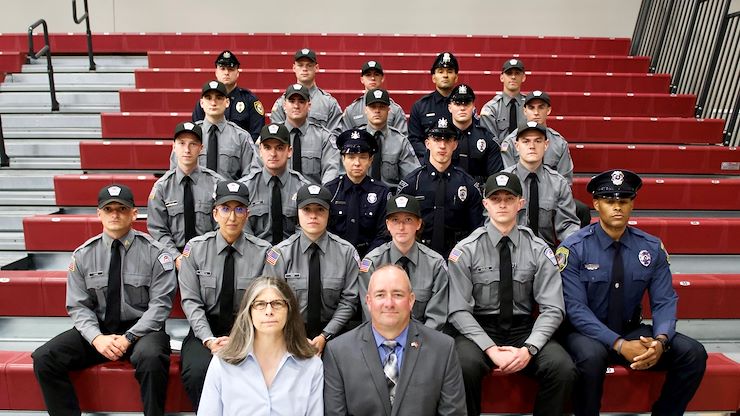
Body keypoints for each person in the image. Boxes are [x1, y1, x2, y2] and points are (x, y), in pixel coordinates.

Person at [558, 169, 707, 416]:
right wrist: (619, 344)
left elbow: (664, 301)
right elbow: (576, 309)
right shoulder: (574, 248)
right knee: (591, 357)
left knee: (693, 353)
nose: (617, 207)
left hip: (630, 328)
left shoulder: (650, 247)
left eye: (624, 201)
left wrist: (660, 341)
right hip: (586, 332)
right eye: (609, 201)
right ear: (596, 204)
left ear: (632, 204)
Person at [32, 184, 177, 416]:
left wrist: (129, 337)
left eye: (122, 208)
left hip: (142, 332)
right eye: (108, 209)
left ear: (134, 213)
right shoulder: (83, 255)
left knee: (152, 358)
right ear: (99, 214)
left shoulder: (156, 253)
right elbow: (78, 306)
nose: (115, 214)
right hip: (99, 331)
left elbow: (160, 305)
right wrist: (96, 338)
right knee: (44, 358)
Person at [448, 172, 576, 416]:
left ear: (521, 203)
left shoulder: (539, 249)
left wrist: (529, 348)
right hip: (480, 328)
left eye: (509, 198)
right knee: (463, 366)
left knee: (562, 369)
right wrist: (490, 348)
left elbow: (553, 308)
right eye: (496, 199)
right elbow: (458, 310)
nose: (503, 204)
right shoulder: (466, 250)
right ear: (486, 204)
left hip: (523, 329)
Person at [178, 180, 272, 410]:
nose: (232, 217)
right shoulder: (196, 249)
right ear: (215, 213)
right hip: (206, 331)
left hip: (250, 332)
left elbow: (263, 304)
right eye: (225, 209)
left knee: (252, 373)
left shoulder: (263, 253)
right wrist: (209, 340)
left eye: (239, 209)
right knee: (196, 371)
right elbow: (191, 302)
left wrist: (241, 339)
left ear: (247, 214)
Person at [323, 264, 466, 416]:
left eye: (398, 294)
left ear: (411, 301)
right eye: (380, 295)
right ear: (368, 301)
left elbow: (453, 413)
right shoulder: (338, 352)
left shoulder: (443, 349)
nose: (389, 303)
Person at [198, 276, 323, 415]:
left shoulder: (311, 365)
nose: (269, 311)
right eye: (260, 304)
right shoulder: (222, 363)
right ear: (249, 312)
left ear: (289, 310)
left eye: (277, 303)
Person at [262, 184, 360, 355]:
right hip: (288, 335)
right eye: (307, 209)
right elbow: (273, 302)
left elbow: (349, 301)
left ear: (329, 213)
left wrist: (325, 335)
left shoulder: (347, 253)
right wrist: (296, 337)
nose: (313, 216)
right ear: (298, 213)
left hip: (335, 334)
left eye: (320, 210)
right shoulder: (281, 254)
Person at [359, 194, 449, 331]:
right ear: (388, 225)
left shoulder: (435, 264)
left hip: (425, 342)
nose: (401, 227)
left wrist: (418, 343)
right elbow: (371, 313)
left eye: (408, 220)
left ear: (418, 224)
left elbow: (436, 317)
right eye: (395, 220)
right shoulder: (372, 263)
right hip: (381, 339)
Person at [500, 90, 590, 227]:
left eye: (541, 107)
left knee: (580, 210)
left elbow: (565, 180)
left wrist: (550, 194)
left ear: (548, 110)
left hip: (551, 192)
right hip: (518, 192)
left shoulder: (559, 142)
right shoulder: (511, 141)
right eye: (531, 107)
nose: (536, 113)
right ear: (524, 110)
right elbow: (510, 177)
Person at [398, 117, 483, 257]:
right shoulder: (412, 184)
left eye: (448, 140)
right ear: (427, 143)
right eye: (437, 140)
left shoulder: (468, 185)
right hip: (418, 256)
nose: (442, 146)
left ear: (455, 144)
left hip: (459, 256)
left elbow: (476, 230)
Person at [148, 121, 222, 260]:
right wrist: (176, 257)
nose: (187, 149)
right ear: (174, 146)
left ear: (201, 148)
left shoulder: (216, 183)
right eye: (182, 143)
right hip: (173, 258)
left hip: (210, 257)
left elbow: (221, 226)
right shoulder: (162, 187)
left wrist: (207, 255)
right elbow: (158, 229)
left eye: (193, 144)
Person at [502, 121, 580, 249]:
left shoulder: (558, 183)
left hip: (546, 253)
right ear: (516, 146)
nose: (532, 146)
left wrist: (575, 248)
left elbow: (567, 226)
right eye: (526, 141)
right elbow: (492, 225)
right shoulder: (504, 181)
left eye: (538, 141)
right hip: (511, 251)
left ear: (546, 145)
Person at [240, 123, 312, 245]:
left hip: (292, 258)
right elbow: (242, 233)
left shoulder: (303, 188)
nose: (273, 154)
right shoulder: (246, 188)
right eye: (267, 148)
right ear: (260, 150)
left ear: (289, 151)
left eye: (279, 148)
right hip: (255, 257)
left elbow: (306, 234)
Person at [175, 80, 259, 181]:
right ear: (201, 103)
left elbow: (250, 176)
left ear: (227, 102)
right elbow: (176, 175)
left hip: (229, 195)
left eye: (219, 98)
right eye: (208, 98)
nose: (213, 103)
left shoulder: (241, 137)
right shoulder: (186, 136)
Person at [325, 127, 390, 257]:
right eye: (351, 157)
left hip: (372, 258)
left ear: (371, 160)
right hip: (336, 257)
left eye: (363, 157)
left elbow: (383, 234)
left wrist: (368, 260)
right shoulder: (330, 191)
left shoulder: (381, 193)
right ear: (343, 159)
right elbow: (325, 231)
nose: (357, 163)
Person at [269, 83, 340, 185]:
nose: (296, 106)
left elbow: (331, 174)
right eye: (292, 101)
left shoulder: (324, 138)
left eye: (301, 102)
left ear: (309, 105)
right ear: (284, 105)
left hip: (313, 198)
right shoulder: (271, 137)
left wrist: (320, 197)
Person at [192, 50, 265, 140]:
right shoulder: (206, 101)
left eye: (230, 69)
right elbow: (197, 131)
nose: (226, 73)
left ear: (237, 73)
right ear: (216, 72)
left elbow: (257, 134)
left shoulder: (249, 100)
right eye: (222, 69)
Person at [270, 48, 343, 135]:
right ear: (294, 68)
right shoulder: (282, 102)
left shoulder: (329, 103)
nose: (304, 69)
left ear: (316, 68)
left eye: (309, 65)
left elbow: (334, 137)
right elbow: (276, 135)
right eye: (300, 65)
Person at [364, 88, 420, 191]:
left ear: (389, 110)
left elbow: (412, 178)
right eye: (373, 107)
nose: (377, 111)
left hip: (390, 200)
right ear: (365, 110)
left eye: (382, 107)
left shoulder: (400, 141)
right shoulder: (357, 139)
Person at [447, 83, 503, 186]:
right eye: (458, 103)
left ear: (473, 106)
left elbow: (495, 177)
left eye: (466, 103)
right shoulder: (441, 139)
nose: (462, 108)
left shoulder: (487, 138)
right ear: (450, 107)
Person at [408, 51, 459, 161]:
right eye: (440, 72)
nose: (445, 75)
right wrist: (434, 157)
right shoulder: (420, 106)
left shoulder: (464, 107)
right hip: (428, 164)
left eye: (450, 71)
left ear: (456, 78)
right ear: (433, 78)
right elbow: (414, 139)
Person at [340, 60, 408, 134]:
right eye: (368, 75)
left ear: (382, 78)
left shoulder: (395, 110)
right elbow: (345, 139)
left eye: (376, 74)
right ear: (362, 79)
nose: (372, 78)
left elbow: (402, 139)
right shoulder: (351, 110)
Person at [479, 58, 527, 143]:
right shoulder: (491, 108)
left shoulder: (530, 106)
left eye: (517, 73)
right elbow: (491, 142)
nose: (513, 77)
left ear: (523, 77)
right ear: (501, 77)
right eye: (509, 73)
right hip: (500, 155)